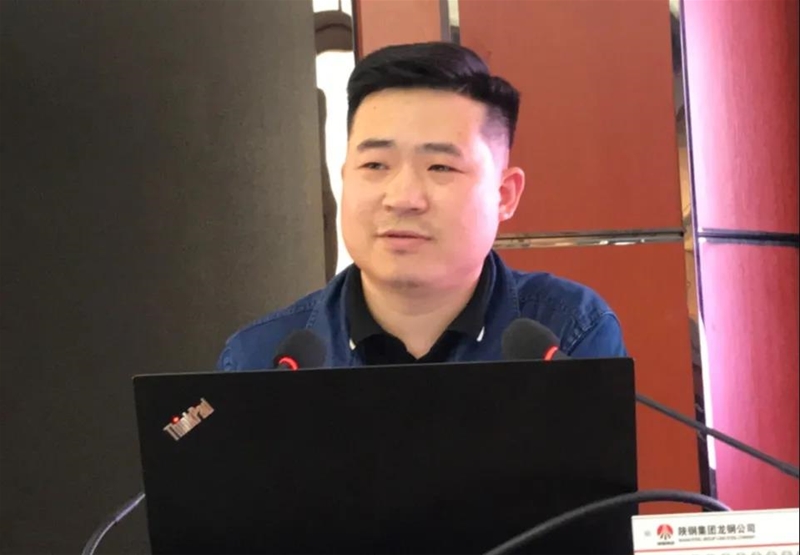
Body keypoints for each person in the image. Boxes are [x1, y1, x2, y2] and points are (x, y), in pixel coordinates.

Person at [217, 41, 627, 371]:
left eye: (440, 167)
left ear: (504, 194)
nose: (402, 198)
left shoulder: (568, 334)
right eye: (375, 165)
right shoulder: (264, 358)